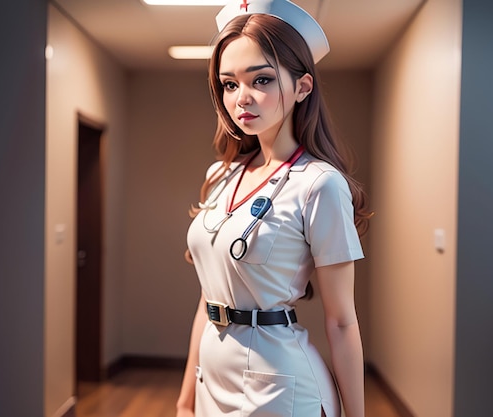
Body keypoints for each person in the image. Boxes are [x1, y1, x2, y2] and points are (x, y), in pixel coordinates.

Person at [176, 1, 371, 416]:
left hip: (277, 385)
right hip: (212, 373)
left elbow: (341, 322)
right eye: (229, 84)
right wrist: (185, 399)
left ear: (303, 87)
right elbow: (208, 298)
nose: (241, 98)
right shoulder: (220, 175)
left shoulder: (319, 184)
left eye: (261, 79)